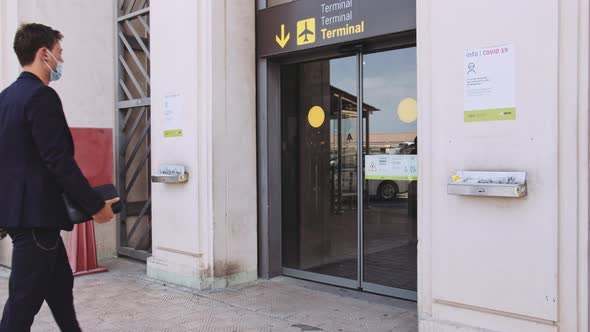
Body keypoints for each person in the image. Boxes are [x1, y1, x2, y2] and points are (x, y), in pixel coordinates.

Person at [0, 23, 119, 331]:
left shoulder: (6, 98)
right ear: (44, 54)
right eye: (59, 53)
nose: (61, 60)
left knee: (60, 292)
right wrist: (95, 206)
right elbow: (59, 161)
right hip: (37, 221)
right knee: (21, 307)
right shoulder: (41, 97)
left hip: (28, 219)